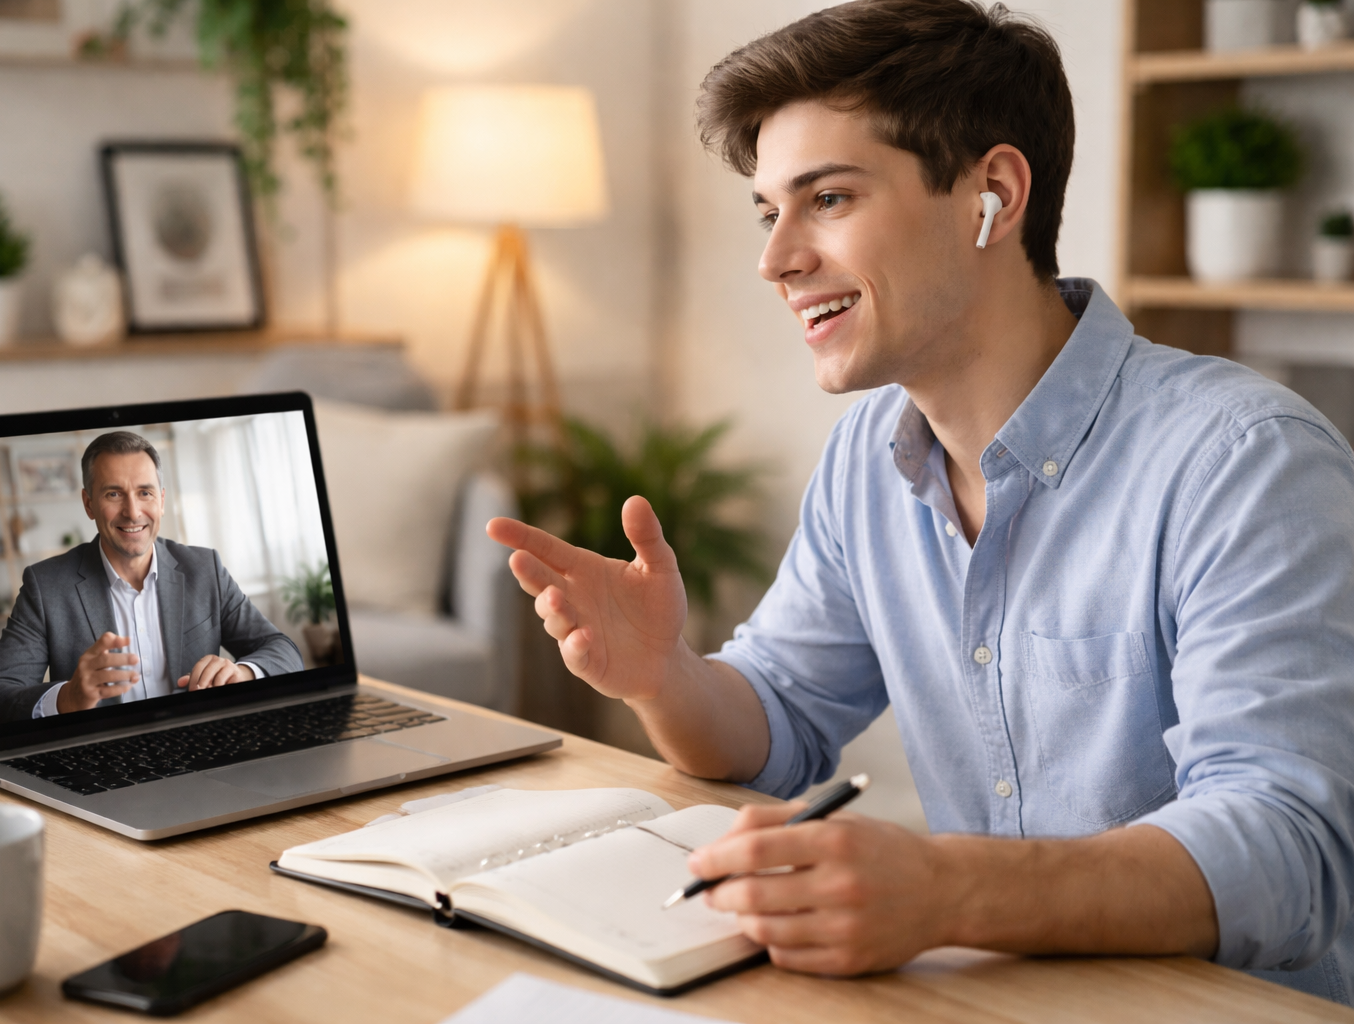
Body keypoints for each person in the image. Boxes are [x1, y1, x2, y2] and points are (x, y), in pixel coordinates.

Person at [487, 0, 1354, 1004]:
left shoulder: (1245, 461)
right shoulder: (870, 455)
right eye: (771, 212)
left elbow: (1292, 849)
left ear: (993, 193)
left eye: (830, 199)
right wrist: (663, 676)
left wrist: (945, 888)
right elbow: (778, 716)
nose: (775, 260)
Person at [0, 431, 303, 728]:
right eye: (114, 494)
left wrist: (243, 673)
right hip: (102, 765)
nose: (132, 511)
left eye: (145, 492)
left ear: (162, 499)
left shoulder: (205, 568)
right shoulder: (46, 587)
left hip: (201, 746)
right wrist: (67, 699)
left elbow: (282, 650)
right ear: (89, 504)